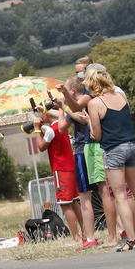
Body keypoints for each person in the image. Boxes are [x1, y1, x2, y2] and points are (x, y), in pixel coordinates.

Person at [84, 66, 135, 250]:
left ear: (92, 84)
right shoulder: (122, 97)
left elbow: (98, 135)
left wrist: (91, 127)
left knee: (121, 196)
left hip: (114, 149)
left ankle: (131, 240)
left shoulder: (94, 103)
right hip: (132, 145)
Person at [61, 56, 120, 248]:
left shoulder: (91, 92)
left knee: (105, 191)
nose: (80, 76)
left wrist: (63, 104)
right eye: (77, 72)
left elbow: (77, 113)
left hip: (93, 144)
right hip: (90, 144)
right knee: (106, 191)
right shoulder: (108, 91)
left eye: (83, 71)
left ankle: (109, 235)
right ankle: (110, 233)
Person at [33, 106, 85, 248]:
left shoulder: (51, 130)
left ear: (47, 115)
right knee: (74, 201)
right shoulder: (61, 125)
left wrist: (37, 128)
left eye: (42, 115)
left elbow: (42, 146)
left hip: (60, 169)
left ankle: (76, 237)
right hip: (70, 166)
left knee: (64, 203)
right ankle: (85, 233)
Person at [57, 75, 98, 247]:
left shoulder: (77, 104)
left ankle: (89, 237)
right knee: (107, 192)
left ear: (72, 91)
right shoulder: (90, 101)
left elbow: (61, 127)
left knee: (84, 196)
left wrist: (62, 108)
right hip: (96, 147)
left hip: (82, 150)